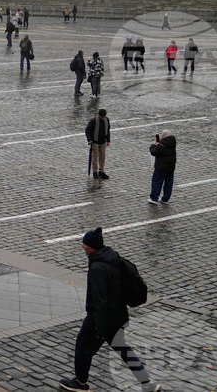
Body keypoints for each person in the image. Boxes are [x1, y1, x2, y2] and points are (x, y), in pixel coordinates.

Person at [59, 228, 162, 392]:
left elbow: (99, 300)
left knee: (83, 347)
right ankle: (147, 382)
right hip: (118, 315)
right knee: (122, 349)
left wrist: (100, 329)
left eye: (85, 244)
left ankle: (80, 383)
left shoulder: (98, 268)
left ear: (93, 247)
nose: (82, 246)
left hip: (101, 319)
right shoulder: (112, 259)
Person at [148, 130, 177, 204]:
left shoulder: (161, 146)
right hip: (170, 167)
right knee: (168, 183)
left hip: (161, 167)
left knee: (157, 181)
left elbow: (153, 152)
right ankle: (165, 199)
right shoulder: (172, 143)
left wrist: (153, 144)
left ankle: (154, 198)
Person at [85, 109, 111, 180]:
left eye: (103, 116)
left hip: (103, 141)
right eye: (101, 116)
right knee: (95, 157)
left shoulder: (107, 120)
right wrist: (89, 139)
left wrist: (108, 140)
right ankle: (95, 171)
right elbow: (87, 129)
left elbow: (108, 130)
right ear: (98, 115)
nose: (102, 118)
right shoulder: (93, 121)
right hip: (95, 142)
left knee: (102, 156)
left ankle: (101, 171)